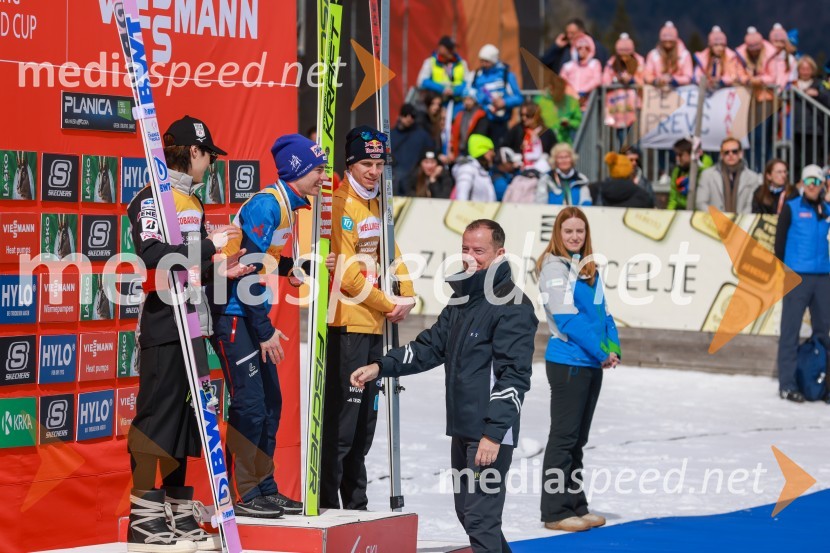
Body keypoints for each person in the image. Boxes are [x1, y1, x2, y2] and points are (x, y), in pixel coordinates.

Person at [350, 219, 537, 553]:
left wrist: (494, 434)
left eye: (479, 251)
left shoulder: (514, 306)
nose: (470, 257)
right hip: (464, 428)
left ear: (499, 254)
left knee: (481, 519)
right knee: (468, 513)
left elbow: (514, 377)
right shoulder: (462, 298)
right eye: (465, 249)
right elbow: (431, 347)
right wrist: (381, 366)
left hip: (489, 433)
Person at [126, 115, 250, 551]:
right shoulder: (152, 198)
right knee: (157, 416)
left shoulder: (190, 201)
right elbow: (158, 257)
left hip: (193, 319)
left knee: (184, 420)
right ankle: (142, 515)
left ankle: (176, 509)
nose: (211, 165)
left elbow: (191, 267)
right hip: (164, 320)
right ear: (194, 152)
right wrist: (211, 246)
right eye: (210, 156)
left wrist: (223, 270)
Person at [208, 134, 331, 518]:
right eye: (317, 170)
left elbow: (268, 257)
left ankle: (266, 488)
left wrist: (299, 268)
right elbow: (246, 275)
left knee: (270, 404)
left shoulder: (288, 206)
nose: (323, 177)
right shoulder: (267, 205)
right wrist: (263, 331)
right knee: (250, 405)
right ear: (296, 171)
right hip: (233, 312)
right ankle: (243, 495)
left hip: (248, 312)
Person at [321, 125, 416, 510]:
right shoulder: (341, 202)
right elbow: (346, 274)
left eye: (379, 164)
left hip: (373, 324)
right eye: (366, 164)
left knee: (365, 426)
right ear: (350, 164)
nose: (374, 172)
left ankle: (356, 501)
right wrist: (387, 302)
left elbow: (390, 250)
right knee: (343, 424)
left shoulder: (379, 201)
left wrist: (406, 292)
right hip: (347, 324)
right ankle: (328, 502)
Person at [536, 207, 620, 532]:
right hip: (568, 362)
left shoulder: (587, 268)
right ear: (558, 233)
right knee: (563, 438)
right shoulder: (552, 268)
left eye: (579, 232)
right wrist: (600, 352)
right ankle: (555, 510)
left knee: (577, 441)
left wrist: (613, 349)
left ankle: (576, 505)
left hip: (590, 363)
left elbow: (604, 314)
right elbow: (567, 318)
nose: (574, 237)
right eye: (568, 231)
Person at [774, 165, 830, 402]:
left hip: (823, 277)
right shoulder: (791, 208)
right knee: (790, 330)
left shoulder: (826, 210)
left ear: (822, 184)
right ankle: (787, 384)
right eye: (808, 179)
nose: (812, 184)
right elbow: (779, 243)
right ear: (801, 182)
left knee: (823, 333)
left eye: (816, 180)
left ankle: (823, 383)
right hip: (797, 276)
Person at [470, 44, 523, 146]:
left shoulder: (506, 75)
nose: (483, 64)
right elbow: (471, 92)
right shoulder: (477, 75)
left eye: (487, 61)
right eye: (481, 61)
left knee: (498, 150)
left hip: (500, 121)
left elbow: (519, 98)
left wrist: (504, 102)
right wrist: (480, 98)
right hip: (482, 120)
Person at [695, 137, 761, 213]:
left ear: (741, 153)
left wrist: (738, 220)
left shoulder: (753, 177)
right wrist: (719, 218)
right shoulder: (707, 175)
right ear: (721, 154)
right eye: (726, 152)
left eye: (734, 151)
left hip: (742, 223)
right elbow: (700, 203)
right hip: (713, 222)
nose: (730, 154)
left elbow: (750, 205)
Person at [602, 33, 645, 139]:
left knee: (635, 134)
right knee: (621, 135)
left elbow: (644, 79)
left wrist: (632, 80)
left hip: (635, 104)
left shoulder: (639, 61)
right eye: (622, 55)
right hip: (617, 105)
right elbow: (605, 80)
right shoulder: (611, 63)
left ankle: (634, 153)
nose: (624, 58)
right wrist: (616, 80)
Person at [792, 56, 830, 173]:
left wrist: (817, 94)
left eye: (807, 69)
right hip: (794, 128)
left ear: (812, 70)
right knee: (795, 160)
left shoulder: (819, 84)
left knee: (812, 160)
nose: (805, 72)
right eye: (802, 69)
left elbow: (828, 100)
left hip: (814, 129)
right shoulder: (792, 84)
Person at [416, 35, 470, 118]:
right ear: (440, 48)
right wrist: (442, 89)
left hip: (457, 105)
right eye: (449, 48)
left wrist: (455, 91)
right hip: (437, 104)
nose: (452, 51)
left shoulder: (462, 63)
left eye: (453, 48)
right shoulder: (430, 62)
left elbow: (468, 83)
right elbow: (421, 81)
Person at [390, 103, 436, 195]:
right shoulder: (390, 135)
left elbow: (432, 152)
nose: (409, 118)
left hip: (413, 182)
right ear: (400, 116)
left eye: (412, 116)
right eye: (405, 114)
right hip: (393, 179)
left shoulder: (422, 135)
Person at [502, 101, 556, 173]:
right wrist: (514, 158)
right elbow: (504, 147)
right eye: (522, 115)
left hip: (542, 170)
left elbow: (554, 151)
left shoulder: (547, 132)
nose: (524, 118)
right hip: (520, 170)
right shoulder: (517, 130)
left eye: (528, 115)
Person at [541, 18, 608, 73]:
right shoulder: (562, 48)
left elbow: (603, 66)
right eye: (567, 33)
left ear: (582, 32)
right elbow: (543, 63)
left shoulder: (595, 47)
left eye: (572, 33)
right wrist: (556, 47)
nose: (569, 36)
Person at [590, 152, 654, 208]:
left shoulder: (597, 189)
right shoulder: (641, 194)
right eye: (631, 160)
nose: (634, 163)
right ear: (629, 168)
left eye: (636, 160)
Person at [533, 75, 583, 145]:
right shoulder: (539, 101)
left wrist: (569, 122)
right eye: (558, 91)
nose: (560, 95)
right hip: (544, 143)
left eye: (562, 91)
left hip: (563, 143)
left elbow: (578, 122)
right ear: (551, 88)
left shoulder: (571, 102)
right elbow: (532, 121)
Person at [667, 138, 713, 210]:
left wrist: (697, 167)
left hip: (700, 214)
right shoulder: (677, 171)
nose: (677, 158)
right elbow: (673, 199)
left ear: (692, 154)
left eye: (680, 155)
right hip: (682, 212)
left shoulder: (706, 170)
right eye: (676, 155)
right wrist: (669, 215)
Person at [560, 34, 603, 111]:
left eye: (586, 48)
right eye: (579, 48)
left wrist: (583, 91)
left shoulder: (594, 64)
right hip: (570, 104)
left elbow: (597, 80)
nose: (582, 50)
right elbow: (561, 81)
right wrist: (573, 93)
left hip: (588, 105)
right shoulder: (567, 66)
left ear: (590, 50)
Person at [644, 21, 693, 88]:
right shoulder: (653, 55)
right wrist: (657, 80)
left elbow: (688, 76)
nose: (668, 43)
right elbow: (647, 75)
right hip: (657, 92)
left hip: (679, 93)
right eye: (665, 41)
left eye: (670, 41)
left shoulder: (684, 55)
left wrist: (673, 80)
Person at [452, 134, 497, 202]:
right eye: (490, 150)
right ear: (482, 150)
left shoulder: (481, 171)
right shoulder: (467, 169)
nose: (493, 154)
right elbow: (461, 198)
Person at [449, 90, 488, 162]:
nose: (467, 102)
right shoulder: (460, 114)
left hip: (474, 152)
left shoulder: (481, 115)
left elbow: (479, 136)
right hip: (460, 151)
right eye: (465, 99)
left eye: (469, 99)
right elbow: (454, 133)